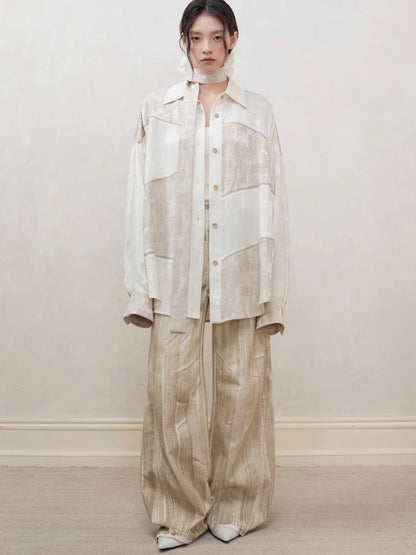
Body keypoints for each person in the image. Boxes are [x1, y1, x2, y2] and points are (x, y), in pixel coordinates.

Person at [123, 0, 289, 550]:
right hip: (175, 265)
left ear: (233, 39)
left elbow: (275, 199)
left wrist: (273, 293)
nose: (207, 47)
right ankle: (178, 512)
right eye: (196, 38)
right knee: (172, 388)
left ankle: (237, 504)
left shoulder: (257, 111)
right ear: (186, 43)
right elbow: (139, 198)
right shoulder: (158, 109)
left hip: (241, 264)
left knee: (242, 384)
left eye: (217, 36)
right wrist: (139, 285)